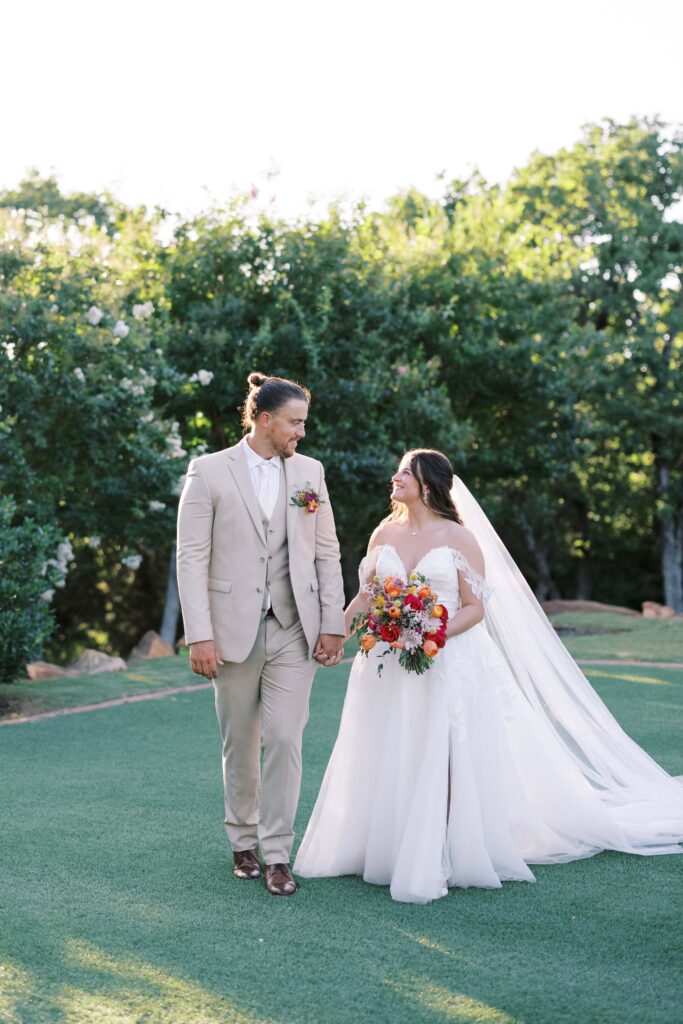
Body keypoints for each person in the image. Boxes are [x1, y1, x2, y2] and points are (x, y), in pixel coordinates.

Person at [294, 448, 683, 903]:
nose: (395, 478)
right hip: (386, 661)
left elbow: (475, 608)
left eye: (406, 472)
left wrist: (430, 634)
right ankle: (382, 846)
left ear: (428, 485)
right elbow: (367, 596)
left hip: (447, 658)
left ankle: (436, 853)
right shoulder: (384, 531)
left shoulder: (459, 538)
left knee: (442, 751)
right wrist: (335, 633)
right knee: (388, 745)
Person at [177, 373, 345, 896]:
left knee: (286, 739)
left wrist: (334, 622)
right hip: (229, 632)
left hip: (296, 630)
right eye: (295, 423)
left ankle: (277, 854)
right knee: (240, 743)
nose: (302, 433)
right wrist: (198, 634)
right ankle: (242, 843)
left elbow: (326, 552)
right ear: (264, 419)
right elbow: (191, 557)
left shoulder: (310, 472)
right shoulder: (207, 472)